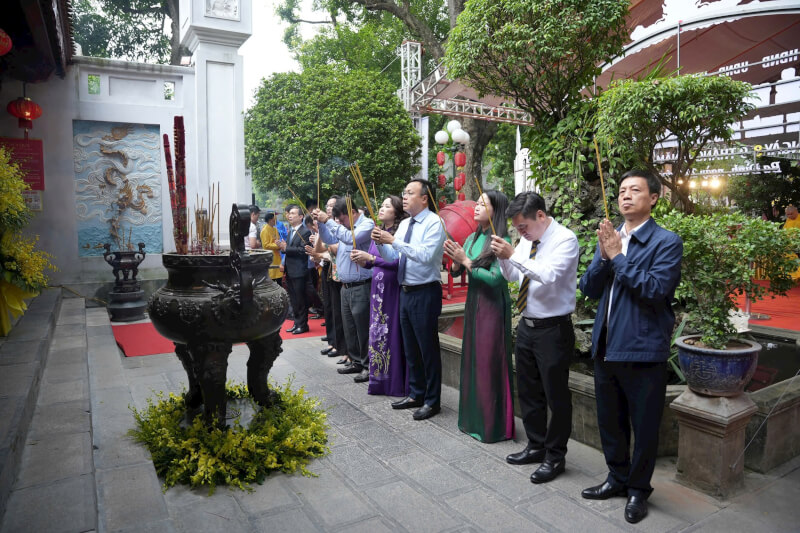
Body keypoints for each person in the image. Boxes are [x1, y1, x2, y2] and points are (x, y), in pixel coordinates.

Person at [579, 169, 683, 525]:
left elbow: (655, 289)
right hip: (606, 347)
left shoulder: (666, 241)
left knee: (645, 425)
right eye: (622, 190)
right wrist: (604, 256)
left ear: (653, 198)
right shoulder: (612, 237)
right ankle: (616, 478)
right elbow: (588, 288)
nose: (625, 195)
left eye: (635, 190)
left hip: (643, 349)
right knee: (610, 421)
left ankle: (638, 489)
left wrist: (618, 257)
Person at [489, 191, 578, 483]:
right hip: (528, 325)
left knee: (556, 396)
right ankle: (536, 445)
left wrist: (513, 254)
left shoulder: (565, 240)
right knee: (528, 391)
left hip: (553, 329)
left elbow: (548, 275)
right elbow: (514, 276)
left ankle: (556, 456)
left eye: (523, 226)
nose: (521, 233)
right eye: (517, 228)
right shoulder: (527, 240)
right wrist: (504, 258)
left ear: (540, 215)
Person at [372, 179, 445, 420]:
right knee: (411, 347)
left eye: (410, 193)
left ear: (424, 198)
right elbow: (393, 256)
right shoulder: (405, 224)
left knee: (427, 349)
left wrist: (393, 240)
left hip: (425, 291)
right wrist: (381, 242)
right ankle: (416, 393)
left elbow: (425, 255)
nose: (404, 196)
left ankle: (432, 401)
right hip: (405, 290)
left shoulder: (435, 223)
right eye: (404, 192)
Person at [444, 190, 514, 443]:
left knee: (488, 362)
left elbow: (495, 279)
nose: (477, 206)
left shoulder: (501, 240)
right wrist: (455, 261)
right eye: (478, 202)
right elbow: (458, 270)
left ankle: (493, 425)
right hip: (474, 303)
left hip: (492, 306)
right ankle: (473, 420)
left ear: (497, 210)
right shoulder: (473, 237)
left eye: (484, 204)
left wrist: (465, 260)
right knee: (473, 359)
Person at [351, 195, 409, 397]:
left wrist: (372, 259)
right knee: (377, 332)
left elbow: (397, 262)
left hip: (392, 287)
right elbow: (371, 261)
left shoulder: (398, 234)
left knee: (390, 332)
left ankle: (394, 383)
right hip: (377, 289)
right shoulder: (378, 232)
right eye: (381, 205)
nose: (381, 209)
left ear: (397, 211)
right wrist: (362, 259)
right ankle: (380, 381)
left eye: (387, 206)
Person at [314, 197, 375, 382]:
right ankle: (356, 361)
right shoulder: (344, 227)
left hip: (361, 285)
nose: (340, 223)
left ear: (353, 213)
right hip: (345, 286)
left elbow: (350, 238)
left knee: (363, 328)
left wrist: (328, 220)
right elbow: (329, 239)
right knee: (349, 327)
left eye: (342, 219)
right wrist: (321, 223)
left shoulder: (366, 225)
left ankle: (368, 365)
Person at [280, 204, 311, 334]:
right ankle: (297, 322)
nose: (290, 216)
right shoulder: (291, 231)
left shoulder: (305, 232)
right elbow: (289, 249)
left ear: (301, 216)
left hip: (299, 271)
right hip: (290, 270)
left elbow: (303, 250)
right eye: (289, 214)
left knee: (300, 299)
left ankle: (303, 325)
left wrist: (286, 248)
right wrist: (283, 247)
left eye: (293, 213)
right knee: (293, 299)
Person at [260, 211, 284, 286]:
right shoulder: (264, 230)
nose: (276, 221)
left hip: (277, 256)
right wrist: (278, 245)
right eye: (274, 219)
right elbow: (265, 245)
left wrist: (279, 245)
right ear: (270, 220)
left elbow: (278, 240)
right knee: (271, 278)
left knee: (279, 278)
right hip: (270, 257)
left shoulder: (275, 229)